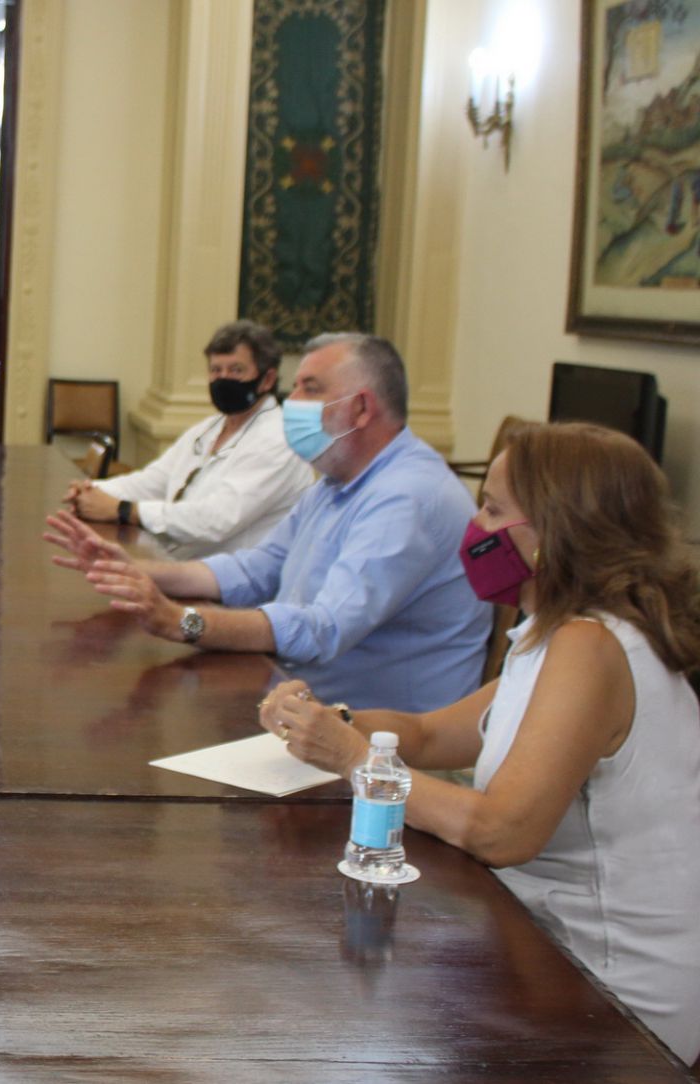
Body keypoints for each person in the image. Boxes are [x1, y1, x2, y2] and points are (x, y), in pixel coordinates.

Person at [262, 422, 700, 1063]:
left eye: (493, 509)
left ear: (553, 532)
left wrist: (354, 759)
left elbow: (503, 832)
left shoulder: (592, 646)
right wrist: (331, 720)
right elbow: (434, 732)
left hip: (609, 990)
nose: (475, 527)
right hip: (543, 943)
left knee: (343, 1024)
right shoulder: (553, 633)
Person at [45, 333, 489, 711]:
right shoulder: (338, 480)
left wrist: (185, 622)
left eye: (310, 389)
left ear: (360, 408)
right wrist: (135, 571)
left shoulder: (406, 497)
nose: (291, 403)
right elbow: (259, 568)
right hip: (303, 701)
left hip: (381, 743)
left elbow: (325, 628)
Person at [65, 320, 314, 557]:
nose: (223, 379)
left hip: (228, 580)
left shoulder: (279, 439)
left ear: (267, 380)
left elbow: (217, 519)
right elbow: (154, 481)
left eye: (236, 370)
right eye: (216, 370)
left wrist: (124, 510)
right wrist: (91, 491)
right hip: (175, 562)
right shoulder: (210, 427)